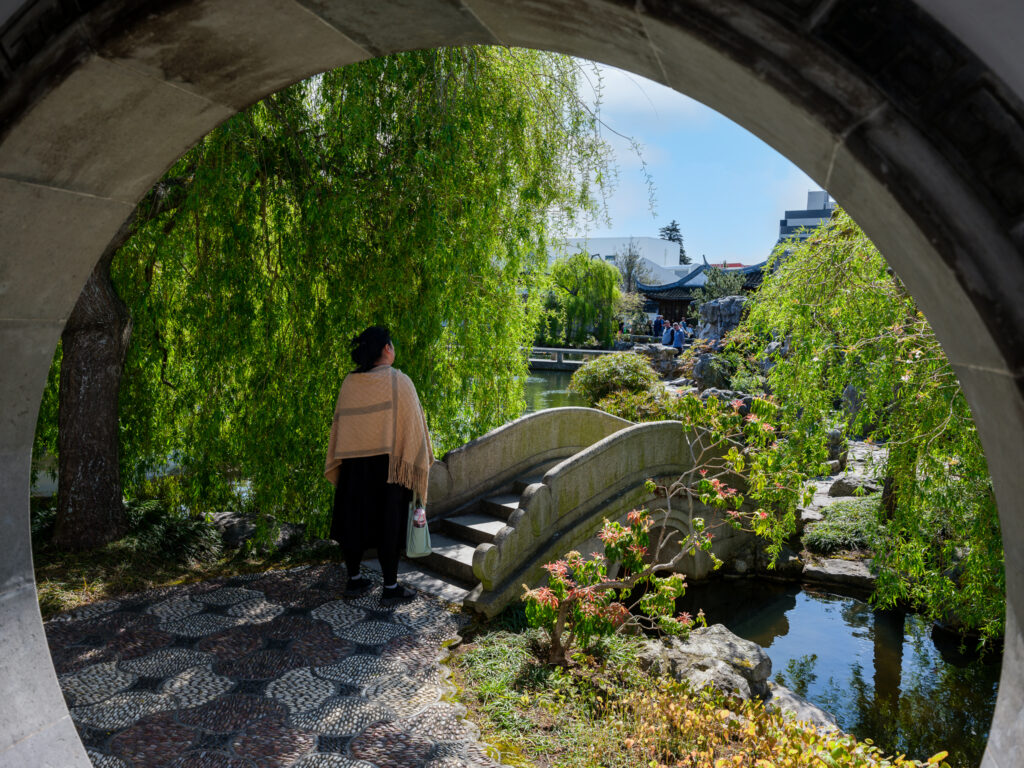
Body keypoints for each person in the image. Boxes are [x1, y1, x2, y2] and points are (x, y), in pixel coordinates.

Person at [325, 326, 434, 603]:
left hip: (354, 467)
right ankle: (389, 588)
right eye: (392, 344)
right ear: (387, 349)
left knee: (353, 521)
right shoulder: (400, 382)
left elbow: (341, 427)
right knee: (390, 525)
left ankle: (354, 580)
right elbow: (415, 431)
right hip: (389, 469)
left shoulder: (350, 382)